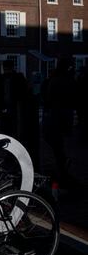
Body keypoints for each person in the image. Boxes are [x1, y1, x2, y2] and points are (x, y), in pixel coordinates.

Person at [42, 57, 75, 185]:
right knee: (59, 142)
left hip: (54, 114)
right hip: (62, 114)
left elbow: (47, 96)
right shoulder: (67, 80)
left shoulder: (53, 79)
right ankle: (61, 167)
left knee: (55, 142)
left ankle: (60, 167)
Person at [0, 59, 28, 140]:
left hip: (13, 107)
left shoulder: (3, 78)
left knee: (12, 128)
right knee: (11, 128)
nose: (6, 70)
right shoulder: (17, 77)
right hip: (10, 106)